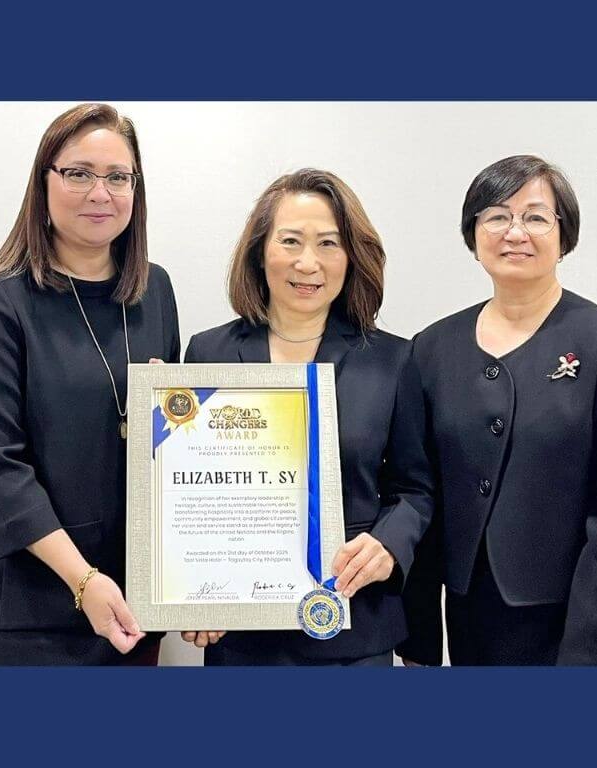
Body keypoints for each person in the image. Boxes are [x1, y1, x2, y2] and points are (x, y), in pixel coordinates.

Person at [398, 155, 597, 666]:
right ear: (473, 234)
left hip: (574, 626)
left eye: (536, 217)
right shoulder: (431, 349)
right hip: (469, 621)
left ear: (563, 236)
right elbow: (419, 494)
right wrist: (419, 645)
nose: (514, 231)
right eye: (496, 216)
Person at [0, 103, 180, 665]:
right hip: (27, 606)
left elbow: (169, 445)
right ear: (43, 182)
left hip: (128, 602)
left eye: (117, 177)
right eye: (78, 173)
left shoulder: (156, 292)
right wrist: (83, 581)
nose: (100, 193)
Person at [183, 169, 433, 665]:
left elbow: (416, 491)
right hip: (240, 637)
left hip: (353, 629)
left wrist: (387, 544)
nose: (307, 262)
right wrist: (189, 591)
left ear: (350, 257)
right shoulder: (207, 351)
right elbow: (190, 494)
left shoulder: (394, 360)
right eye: (290, 241)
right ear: (260, 251)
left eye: (328, 244)